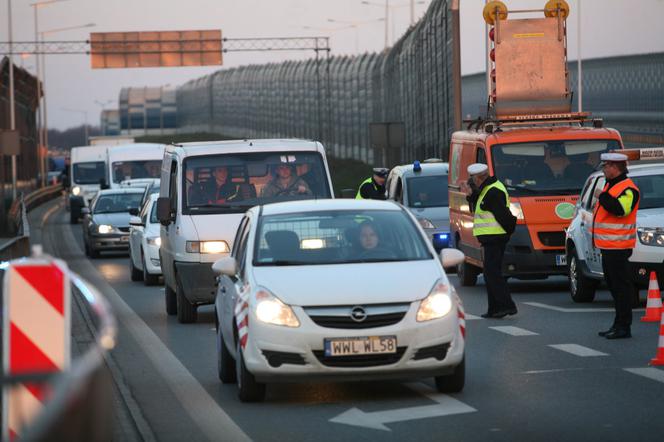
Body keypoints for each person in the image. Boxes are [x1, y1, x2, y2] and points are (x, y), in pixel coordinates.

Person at [461, 163, 518, 318]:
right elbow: (481, 203)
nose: (473, 182)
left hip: (495, 237)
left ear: (480, 178)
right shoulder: (488, 189)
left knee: (492, 274)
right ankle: (495, 309)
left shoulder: (493, 191)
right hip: (492, 238)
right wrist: (470, 195)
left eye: (473, 179)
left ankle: (507, 306)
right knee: (490, 273)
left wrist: (508, 232)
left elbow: (505, 216)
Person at [594, 153, 640, 340]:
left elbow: (621, 210)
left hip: (619, 247)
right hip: (608, 246)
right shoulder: (610, 185)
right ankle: (617, 324)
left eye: (606, 166)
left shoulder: (629, 189)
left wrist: (602, 196)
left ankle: (624, 326)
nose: (604, 169)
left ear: (615, 167)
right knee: (614, 287)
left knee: (621, 288)